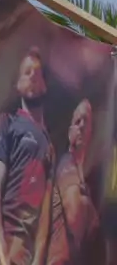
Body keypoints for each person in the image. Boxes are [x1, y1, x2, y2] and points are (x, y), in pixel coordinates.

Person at [0, 47, 54, 265]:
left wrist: (38, 259)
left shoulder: (50, 147)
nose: (33, 75)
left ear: (45, 85)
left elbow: (46, 213)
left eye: (38, 72)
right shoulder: (8, 122)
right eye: (27, 72)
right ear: (17, 86)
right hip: (6, 238)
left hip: (27, 251)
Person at [47, 99, 102, 264]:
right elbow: (73, 215)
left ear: (91, 131)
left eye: (86, 121)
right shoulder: (66, 165)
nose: (82, 126)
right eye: (77, 121)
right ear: (70, 130)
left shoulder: (81, 174)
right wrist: (89, 211)